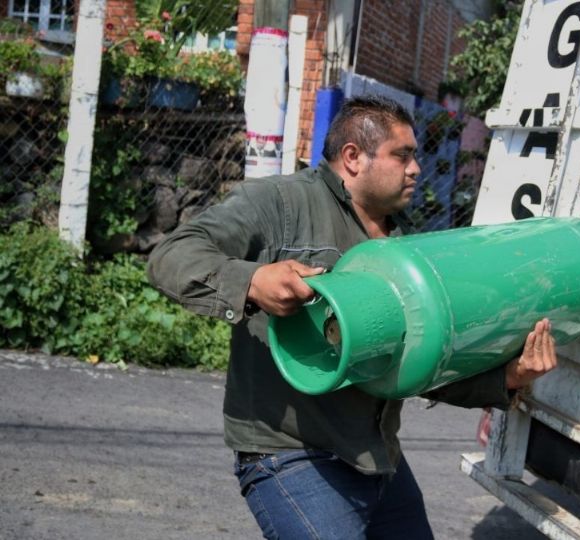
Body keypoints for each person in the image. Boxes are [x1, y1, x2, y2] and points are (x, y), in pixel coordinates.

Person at [146, 95, 557, 539]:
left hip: (378, 460)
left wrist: (508, 378)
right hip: (289, 456)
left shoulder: (400, 246)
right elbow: (171, 255)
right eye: (403, 155)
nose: (416, 168)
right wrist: (253, 281)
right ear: (353, 157)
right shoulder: (281, 203)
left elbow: (418, 363)